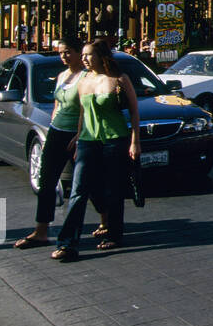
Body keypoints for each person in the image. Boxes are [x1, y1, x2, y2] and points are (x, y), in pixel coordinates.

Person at [53, 39, 142, 261]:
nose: (83, 59)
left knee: (113, 190)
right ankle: (67, 244)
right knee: (78, 191)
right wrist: (78, 135)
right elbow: (83, 112)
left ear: (102, 56)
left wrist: (135, 141)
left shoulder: (119, 79)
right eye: (82, 54)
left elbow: (134, 112)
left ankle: (114, 234)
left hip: (115, 139)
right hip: (87, 141)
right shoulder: (84, 80)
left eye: (88, 55)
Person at [14, 38, 87, 250]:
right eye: (61, 52)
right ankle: (41, 231)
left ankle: (106, 223)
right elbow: (56, 105)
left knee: (84, 185)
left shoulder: (86, 77)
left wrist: (79, 134)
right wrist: (52, 129)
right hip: (57, 132)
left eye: (68, 52)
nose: (64, 56)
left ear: (78, 52)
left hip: (76, 134)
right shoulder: (62, 76)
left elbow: (85, 109)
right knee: (46, 182)